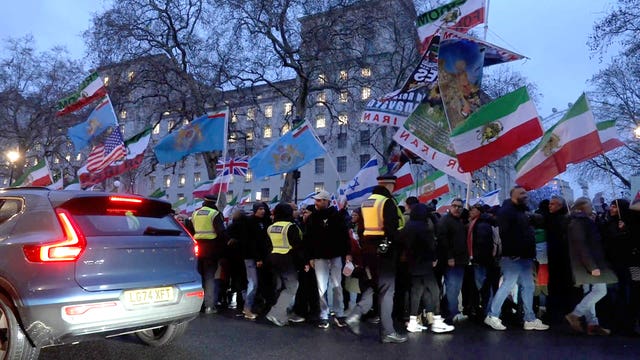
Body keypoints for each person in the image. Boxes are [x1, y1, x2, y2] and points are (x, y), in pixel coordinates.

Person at [346, 175, 407, 344]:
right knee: (387, 290)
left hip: (368, 252)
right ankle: (387, 332)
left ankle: (356, 314)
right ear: (390, 186)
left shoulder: (366, 203)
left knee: (374, 286)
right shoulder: (387, 202)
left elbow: (361, 229)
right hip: (385, 253)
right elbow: (392, 229)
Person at [484, 186, 549, 331]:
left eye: (525, 193)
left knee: (528, 286)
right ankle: (492, 315)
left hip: (524, 256)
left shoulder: (522, 211)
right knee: (508, 284)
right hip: (513, 256)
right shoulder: (507, 211)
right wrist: (512, 251)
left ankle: (529, 318)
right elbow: (506, 233)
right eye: (522, 193)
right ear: (513, 195)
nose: (525, 195)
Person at [565, 197, 618, 335]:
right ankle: (576, 314)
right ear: (583, 207)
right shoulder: (578, 222)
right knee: (600, 290)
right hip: (588, 264)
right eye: (589, 205)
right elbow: (581, 245)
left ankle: (592, 323)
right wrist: (591, 266)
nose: (591, 208)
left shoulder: (582, 221)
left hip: (589, 263)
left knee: (590, 292)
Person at [399, 203, 454, 333]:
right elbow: (430, 246)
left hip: (412, 263)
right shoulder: (424, 228)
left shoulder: (407, 227)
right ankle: (437, 320)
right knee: (434, 290)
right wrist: (434, 258)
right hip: (424, 263)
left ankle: (412, 321)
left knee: (416, 292)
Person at [306, 190, 351, 329]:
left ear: (327, 201)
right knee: (322, 287)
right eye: (316, 200)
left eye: (319, 200)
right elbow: (309, 239)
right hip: (320, 256)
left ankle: (339, 313)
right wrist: (310, 257)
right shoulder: (313, 218)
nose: (316, 203)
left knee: (337, 285)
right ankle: (324, 315)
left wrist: (347, 253)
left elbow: (345, 236)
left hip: (335, 255)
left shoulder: (336, 216)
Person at [265, 203, 306, 326]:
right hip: (288, 259)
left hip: (273, 259)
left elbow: (267, 245)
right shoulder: (291, 226)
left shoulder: (271, 227)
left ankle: (283, 315)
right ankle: (275, 313)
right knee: (291, 287)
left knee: (280, 287)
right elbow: (298, 246)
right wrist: (303, 262)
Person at [192, 195, 227, 314]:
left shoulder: (195, 213)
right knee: (209, 277)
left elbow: (191, 230)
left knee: (199, 276)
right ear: (214, 203)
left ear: (204, 201)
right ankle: (209, 306)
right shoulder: (214, 214)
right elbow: (221, 233)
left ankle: (197, 305)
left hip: (197, 247)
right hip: (211, 248)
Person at [437, 198, 469, 325]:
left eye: (460, 207)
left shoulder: (458, 221)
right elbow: (443, 241)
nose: (457, 208)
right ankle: (453, 313)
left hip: (459, 259)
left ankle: (447, 311)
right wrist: (449, 257)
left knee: (453, 288)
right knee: (453, 287)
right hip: (452, 260)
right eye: (455, 206)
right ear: (450, 207)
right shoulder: (446, 221)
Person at [240, 202, 272, 320]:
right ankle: (247, 308)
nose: (262, 211)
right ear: (255, 210)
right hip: (251, 257)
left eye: (263, 208)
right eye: (260, 209)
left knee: (257, 283)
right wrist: (257, 257)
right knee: (253, 283)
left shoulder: (266, 221)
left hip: (262, 257)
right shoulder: (249, 222)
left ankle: (254, 306)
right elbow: (250, 242)